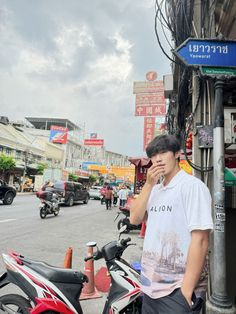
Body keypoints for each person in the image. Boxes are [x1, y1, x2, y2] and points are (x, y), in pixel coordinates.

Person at [130, 134, 213, 314]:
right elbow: (134, 219)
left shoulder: (192, 186)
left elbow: (201, 240)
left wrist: (186, 292)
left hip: (176, 291)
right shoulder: (154, 191)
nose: (158, 159)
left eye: (163, 152)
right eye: (153, 155)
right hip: (149, 289)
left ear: (177, 154)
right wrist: (148, 184)